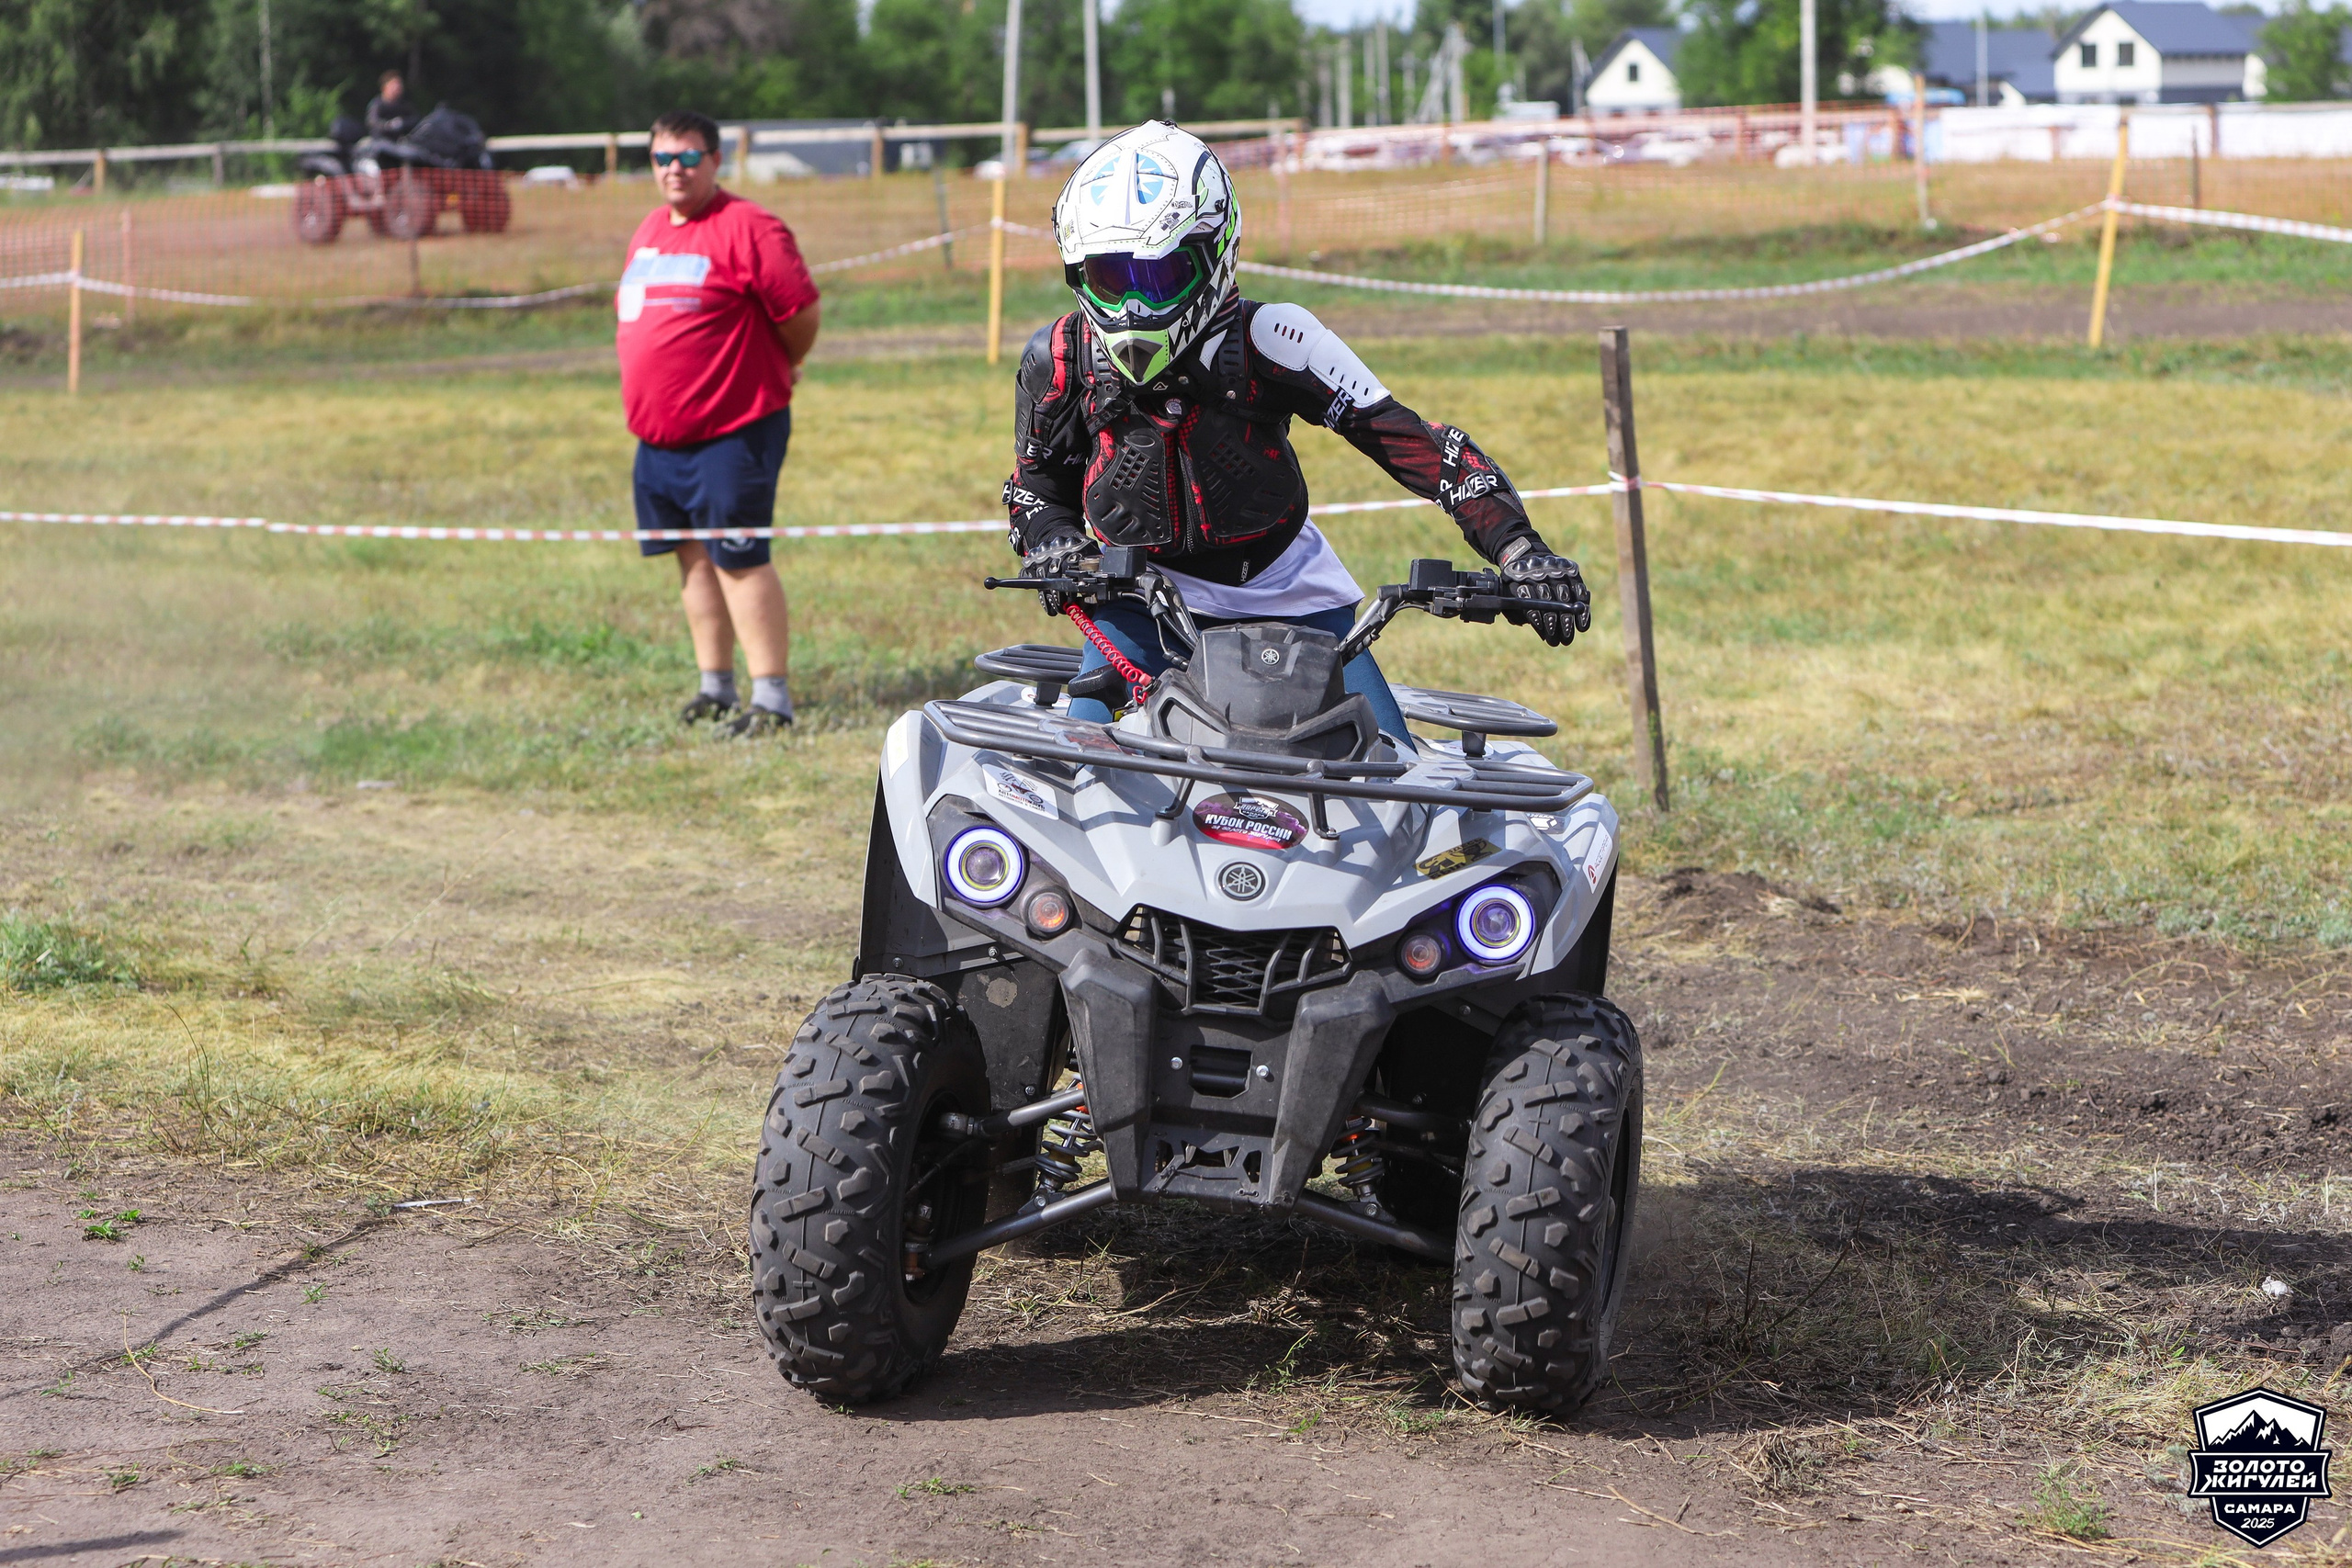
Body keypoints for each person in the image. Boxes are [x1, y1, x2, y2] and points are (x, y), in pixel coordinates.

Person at [1003, 120, 1590, 733]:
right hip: (1133, 600)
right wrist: (1053, 541)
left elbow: (1421, 449)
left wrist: (1522, 552)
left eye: (1157, 278)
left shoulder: (1279, 339)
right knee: (1084, 756)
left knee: (1387, 768)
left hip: (1292, 597)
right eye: (1110, 277)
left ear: (1217, 251)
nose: (1131, 307)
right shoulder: (1060, 361)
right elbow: (1033, 487)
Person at [616, 109, 821, 737]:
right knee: (691, 557)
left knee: (739, 557)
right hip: (659, 440)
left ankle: (772, 699)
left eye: (687, 156)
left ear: (715, 160)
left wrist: (773, 367)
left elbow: (800, 315)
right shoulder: (650, 230)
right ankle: (715, 685)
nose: (673, 169)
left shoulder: (750, 227)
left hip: (735, 430)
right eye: (662, 158)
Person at [365, 71, 418, 142]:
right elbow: (373, 122)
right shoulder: (377, 104)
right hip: (380, 141)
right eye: (393, 85)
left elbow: (415, 119)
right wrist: (388, 125)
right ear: (384, 87)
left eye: (399, 85)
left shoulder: (404, 104)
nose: (397, 88)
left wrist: (402, 123)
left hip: (400, 141)